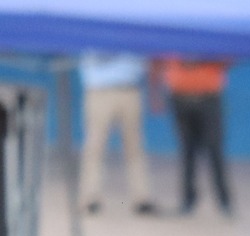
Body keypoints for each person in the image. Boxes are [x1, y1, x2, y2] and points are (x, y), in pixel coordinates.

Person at [78, 50, 156, 216]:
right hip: (99, 89)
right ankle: (90, 198)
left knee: (135, 147)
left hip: (129, 88)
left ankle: (142, 198)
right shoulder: (94, 26)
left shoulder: (133, 27)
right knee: (94, 147)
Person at [156, 57, 232, 216]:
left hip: (208, 96)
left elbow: (229, 59)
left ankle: (224, 201)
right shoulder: (174, 35)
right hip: (180, 97)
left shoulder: (212, 36)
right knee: (187, 150)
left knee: (214, 149)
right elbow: (158, 60)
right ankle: (188, 199)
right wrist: (156, 93)